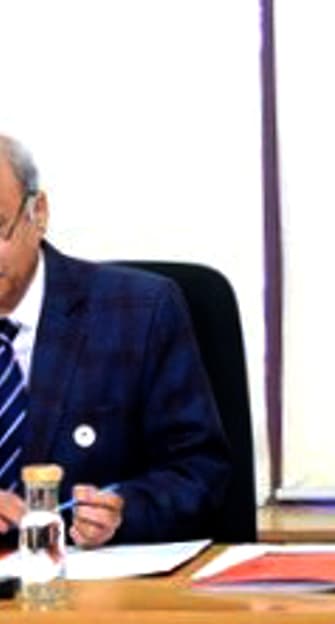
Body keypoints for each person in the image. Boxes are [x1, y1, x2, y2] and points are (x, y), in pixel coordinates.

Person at [0, 134, 229, 548]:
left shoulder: (139, 312)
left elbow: (199, 473)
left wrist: (124, 512)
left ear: (38, 213)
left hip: (94, 576)